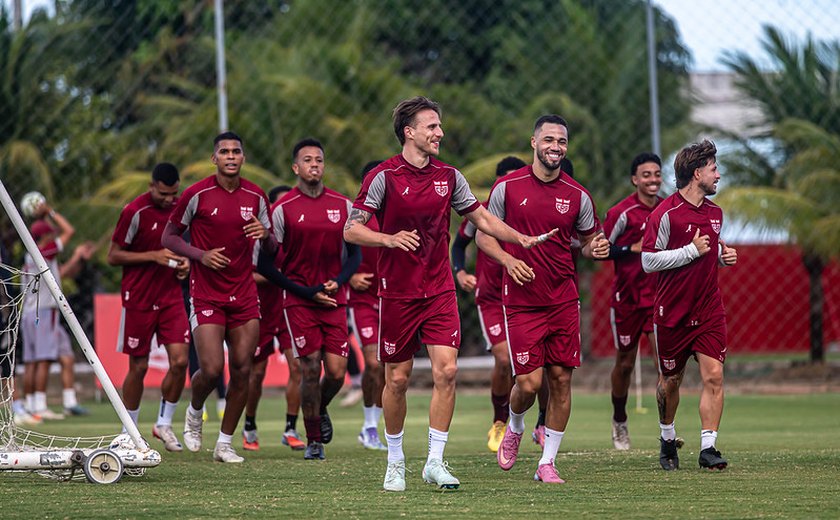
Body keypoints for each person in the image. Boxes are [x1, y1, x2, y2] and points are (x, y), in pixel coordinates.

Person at [344, 96, 553, 492]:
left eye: (439, 126)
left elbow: (483, 218)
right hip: (398, 294)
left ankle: (435, 462)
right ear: (409, 132)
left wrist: (519, 238)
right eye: (431, 126)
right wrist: (387, 239)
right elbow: (351, 230)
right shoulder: (383, 177)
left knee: (447, 371)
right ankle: (394, 462)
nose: (440, 133)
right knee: (399, 380)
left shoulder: (450, 176)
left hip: (439, 290)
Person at [478, 115, 610, 484]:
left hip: (563, 299)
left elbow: (588, 241)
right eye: (549, 139)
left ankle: (547, 463)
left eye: (562, 141)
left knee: (561, 380)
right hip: (521, 302)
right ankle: (516, 425)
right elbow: (483, 237)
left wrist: (595, 247)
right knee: (530, 385)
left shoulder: (578, 195)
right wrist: (508, 259)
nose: (556, 146)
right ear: (533, 142)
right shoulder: (507, 187)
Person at [161, 131, 273, 463]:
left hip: (244, 294)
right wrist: (200, 255)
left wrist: (265, 235)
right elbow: (170, 236)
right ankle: (194, 413)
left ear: (243, 157)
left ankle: (224, 443)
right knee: (211, 369)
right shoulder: (197, 194)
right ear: (215, 159)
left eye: (236, 151)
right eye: (224, 151)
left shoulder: (256, 195)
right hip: (207, 293)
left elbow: (273, 248)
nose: (230, 156)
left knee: (243, 371)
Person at [259, 138, 361, 460]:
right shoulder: (282, 209)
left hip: (333, 299)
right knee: (310, 367)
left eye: (319, 160)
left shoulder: (343, 206)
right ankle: (314, 440)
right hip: (300, 300)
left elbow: (355, 256)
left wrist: (339, 281)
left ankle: (320, 408)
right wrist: (305, 292)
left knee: (336, 372)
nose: (314, 165)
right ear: (296, 168)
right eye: (307, 160)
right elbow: (265, 266)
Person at [641, 139, 736, 471]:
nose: (718, 175)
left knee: (714, 376)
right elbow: (648, 261)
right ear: (697, 174)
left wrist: (722, 259)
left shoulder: (715, 213)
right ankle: (667, 438)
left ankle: (708, 448)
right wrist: (691, 251)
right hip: (672, 314)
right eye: (713, 169)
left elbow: (707, 254)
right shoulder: (665, 213)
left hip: (709, 311)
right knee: (671, 381)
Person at [107, 163, 191, 452]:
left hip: (170, 296)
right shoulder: (134, 211)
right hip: (139, 297)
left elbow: (183, 246)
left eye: (174, 193)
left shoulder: (181, 209)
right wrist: (151, 256)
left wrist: (184, 265)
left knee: (180, 362)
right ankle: (128, 431)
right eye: (165, 194)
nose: (170, 199)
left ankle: (164, 424)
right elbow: (113, 256)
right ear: (152, 186)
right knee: (139, 365)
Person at [451, 155, 525, 453]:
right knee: (505, 359)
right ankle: (499, 421)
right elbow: (459, 245)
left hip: (523, 296)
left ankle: (539, 425)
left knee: (532, 369)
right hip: (492, 297)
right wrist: (461, 272)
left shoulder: (528, 210)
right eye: (503, 178)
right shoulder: (482, 213)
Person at [602, 152, 664, 450]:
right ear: (635, 179)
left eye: (656, 174)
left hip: (658, 299)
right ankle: (619, 420)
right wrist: (630, 248)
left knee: (665, 364)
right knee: (625, 364)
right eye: (646, 175)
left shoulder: (667, 209)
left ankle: (667, 431)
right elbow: (601, 248)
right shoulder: (622, 213)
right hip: (626, 299)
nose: (653, 180)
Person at [242, 184, 306, 452]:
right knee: (256, 373)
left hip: (290, 311)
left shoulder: (299, 237)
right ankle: (249, 426)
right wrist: (278, 279)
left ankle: (290, 429)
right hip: (263, 312)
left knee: (298, 368)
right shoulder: (258, 239)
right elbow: (246, 275)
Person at [21, 198, 94, 421]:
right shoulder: (46, 250)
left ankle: (35, 404)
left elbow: (59, 274)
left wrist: (76, 258)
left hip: (30, 313)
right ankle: (39, 406)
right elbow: (69, 230)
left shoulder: (30, 255)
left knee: (39, 360)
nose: (54, 236)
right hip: (44, 312)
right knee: (43, 359)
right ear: (44, 237)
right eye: (50, 234)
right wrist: (50, 210)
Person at [347, 160, 387, 450]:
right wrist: (350, 277)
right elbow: (334, 253)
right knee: (373, 362)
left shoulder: (401, 213)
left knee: (388, 367)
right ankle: (369, 426)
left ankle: (377, 423)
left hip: (394, 299)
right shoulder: (355, 215)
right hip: (363, 300)